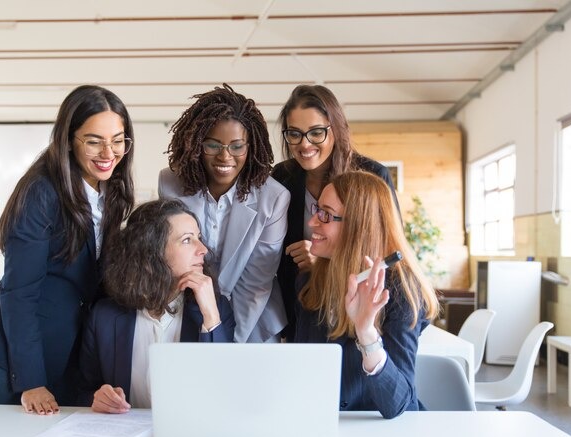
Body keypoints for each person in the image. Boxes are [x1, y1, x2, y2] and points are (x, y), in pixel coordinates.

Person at [0, 85, 135, 414]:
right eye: (94, 140)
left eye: (118, 140)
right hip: (12, 358)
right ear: (68, 140)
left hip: (65, 352)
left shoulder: (110, 194)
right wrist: (31, 381)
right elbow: (19, 293)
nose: (108, 152)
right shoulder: (41, 192)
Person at [295, 170, 438, 419]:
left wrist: (366, 333)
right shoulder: (310, 280)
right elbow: (304, 370)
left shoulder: (400, 291)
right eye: (317, 209)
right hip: (323, 426)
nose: (312, 222)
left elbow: (399, 406)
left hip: (381, 434)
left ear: (358, 227)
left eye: (325, 214)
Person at [159, 84, 290, 343]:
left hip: (253, 321)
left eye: (237, 146)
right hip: (188, 308)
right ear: (198, 144)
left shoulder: (273, 198)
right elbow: (171, 259)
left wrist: (224, 340)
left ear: (250, 147)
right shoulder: (170, 184)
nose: (225, 156)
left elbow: (256, 283)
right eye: (213, 145)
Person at [78, 199, 235, 413]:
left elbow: (225, 395)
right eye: (188, 240)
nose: (203, 249)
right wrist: (97, 398)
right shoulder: (104, 316)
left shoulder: (217, 311)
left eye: (199, 238)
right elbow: (84, 390)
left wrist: (211, 316)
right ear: (151, 251)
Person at [272, 84, 400, 342]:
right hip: (299, 310)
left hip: (353, 310)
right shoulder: (282, 177)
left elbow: (388, 252)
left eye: (316, 132)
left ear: (336, 129)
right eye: (294, 133)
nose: (304, 144)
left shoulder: (371, 175)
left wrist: (322, 264)